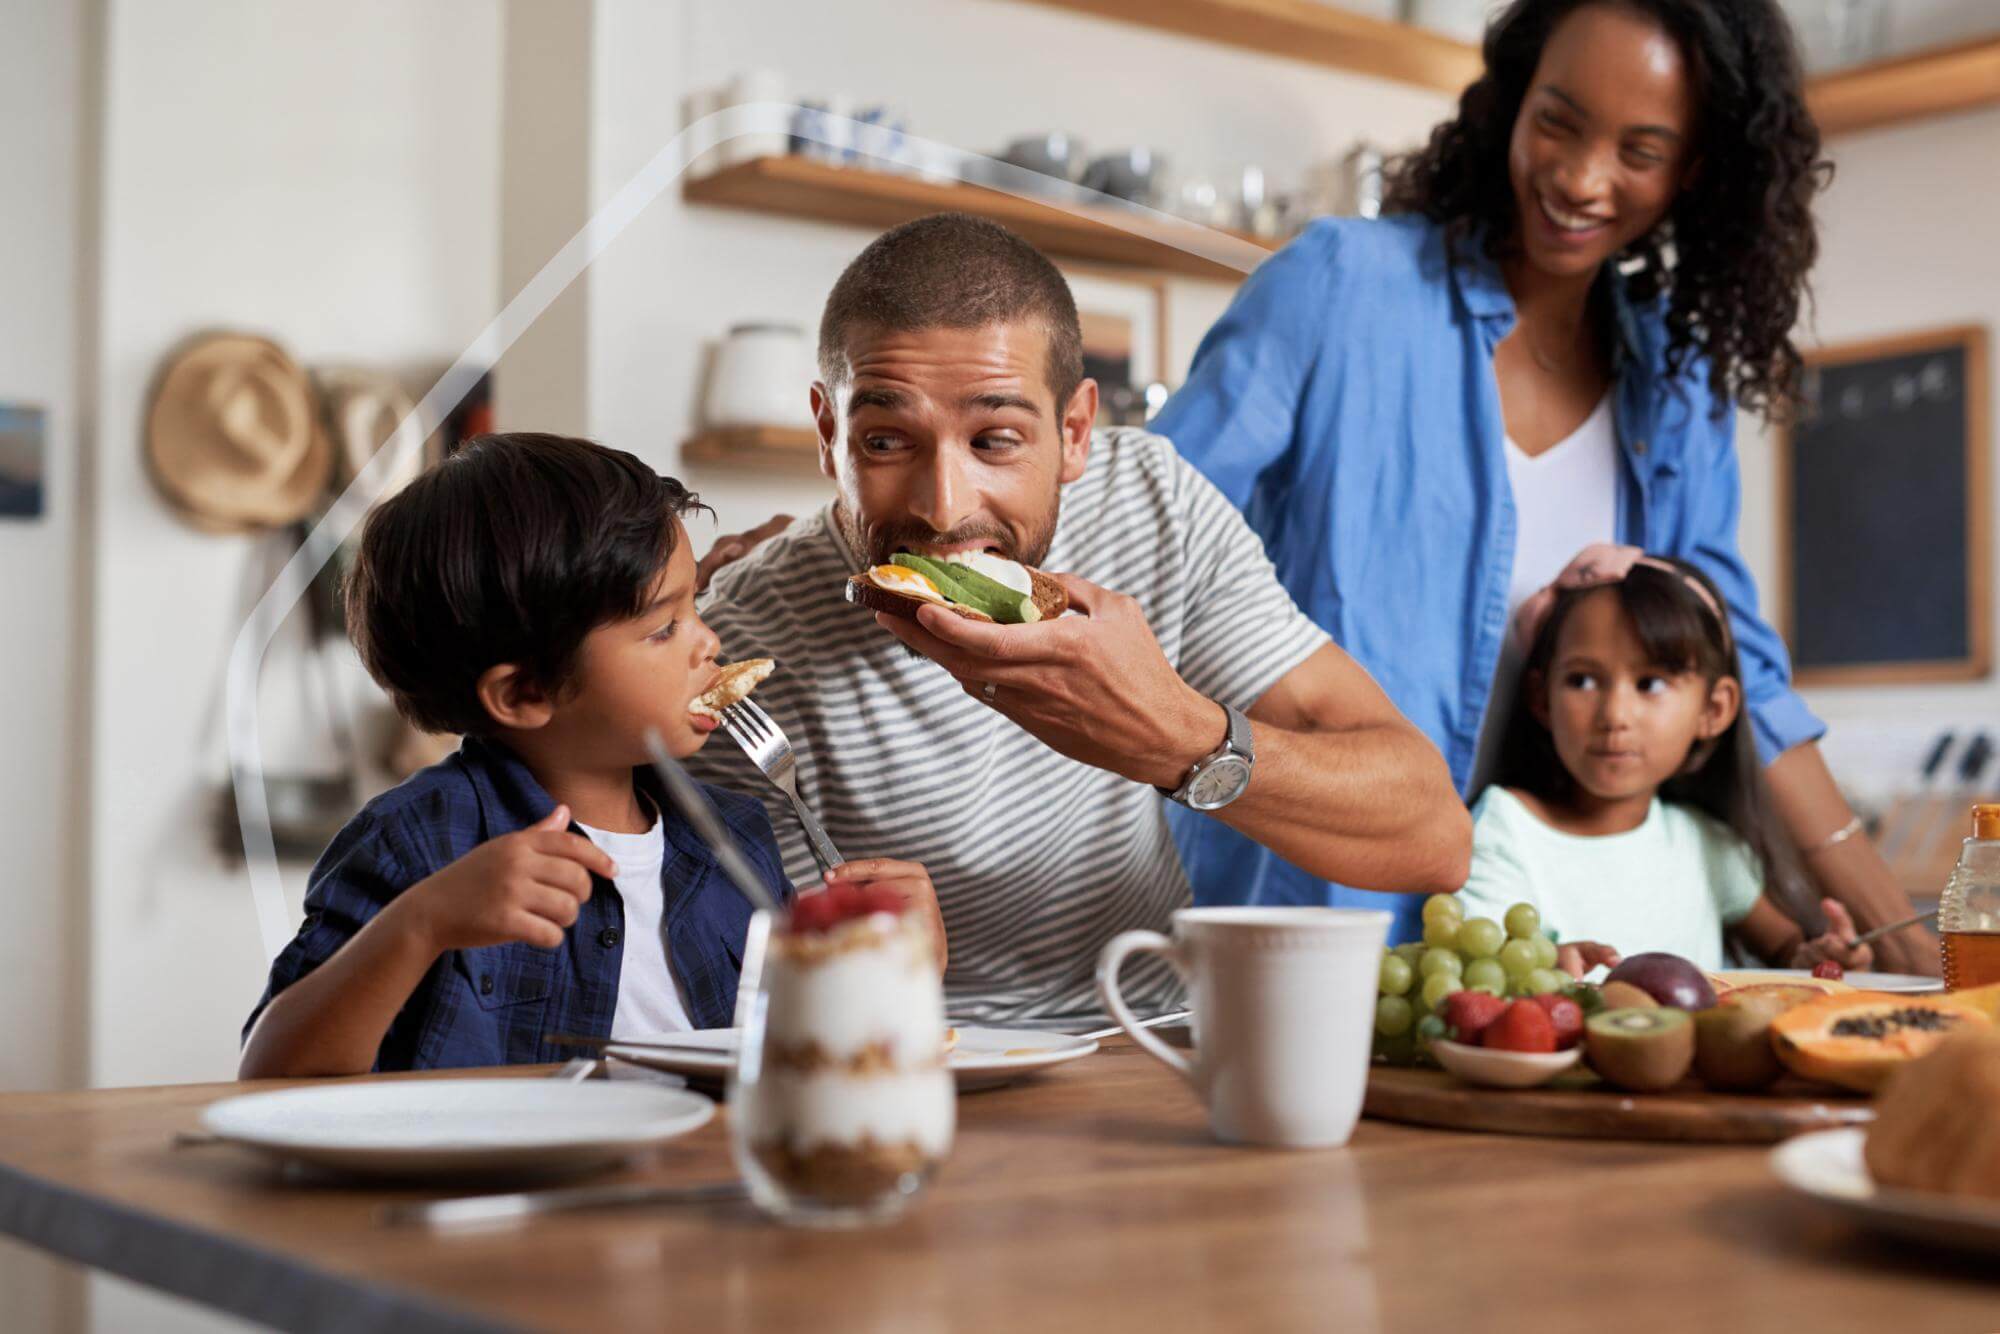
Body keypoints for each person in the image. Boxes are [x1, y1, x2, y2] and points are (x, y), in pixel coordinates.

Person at [1151, 0, 1936, 972]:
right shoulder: (1340, 289)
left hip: (1548, 955)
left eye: (1638, 150)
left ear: (1695, 169)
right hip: (1317, 915)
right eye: (1557, 120)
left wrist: (1904, 931)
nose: (1578, 178)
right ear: (1511, 98)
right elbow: (1145, 536)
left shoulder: (1672, 384)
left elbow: (1745, 670)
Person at [688, 213, 1470, 1028]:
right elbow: (722, 985)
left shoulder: (1153, 504)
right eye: (886, 442)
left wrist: (1169, 734)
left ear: (1074, 433)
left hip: (1158, 1048)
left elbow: (1432, 835)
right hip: (919, 1069)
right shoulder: (740, 644)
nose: (943, 507)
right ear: (828, 433)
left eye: (995, 440)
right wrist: (861, 964)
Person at [240, 433, 938, 1076]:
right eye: (664, 628)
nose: (709, 643)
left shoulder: (737, 839)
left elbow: (798, 1063)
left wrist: (894, 968)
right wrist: (419, 925)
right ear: (523, 693)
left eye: (694, 606)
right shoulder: (420, 842)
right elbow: (270, 1073)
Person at [1459, 545, 1873, 973]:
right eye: (1582, 680)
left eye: (1650, 684)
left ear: (1714, 710)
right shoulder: (1506, 829)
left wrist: (1819, 958)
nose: (1615, 716)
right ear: (1541, 698)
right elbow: (1483, 970)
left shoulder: (1706, 845)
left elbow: (1786, 948)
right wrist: (1544, 970)